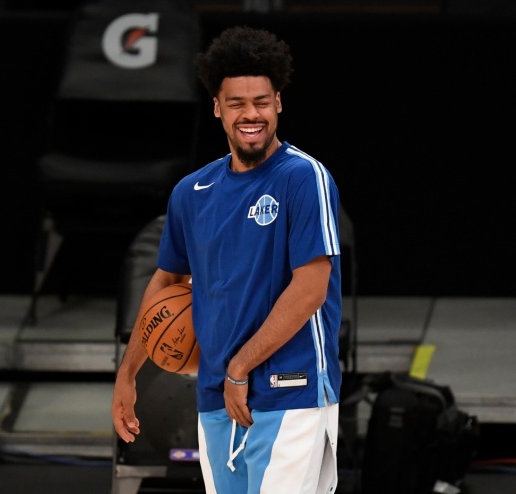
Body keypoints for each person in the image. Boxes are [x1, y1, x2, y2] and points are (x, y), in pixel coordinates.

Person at [112, 25, 343, 494]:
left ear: (278, 103)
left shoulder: (304, 178)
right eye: (237, 103)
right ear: (218, 108)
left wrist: (241, 368)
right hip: (217, 393)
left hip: (290, 388)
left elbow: (311, 289)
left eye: (261, 102)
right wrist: (128, 372)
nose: (251, 114)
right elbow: (165, 284)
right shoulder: (191, 192)